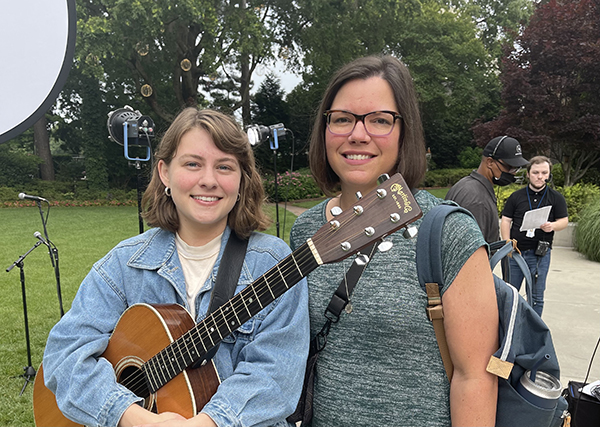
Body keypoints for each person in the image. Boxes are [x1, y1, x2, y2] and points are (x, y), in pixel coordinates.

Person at [42, 108, 309, 427]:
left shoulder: (272, 263)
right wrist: (132, 416)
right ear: (165, 173)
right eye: (192, 164)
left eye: (224, 167)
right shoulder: (125, 263)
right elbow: (65, 354)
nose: (208, 180)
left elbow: (278, 373)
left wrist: (209, 422)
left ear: (242, 179)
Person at [289, 55, 499, 427]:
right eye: (342, 119)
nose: (357, 134)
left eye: (380, 120)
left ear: (405, 133)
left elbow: (475, 377)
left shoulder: (448, 232)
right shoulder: (306, 230)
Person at [500, 156, 568, 317]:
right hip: (516, 253)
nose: (540, 176)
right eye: (536, 172)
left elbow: (564, 221)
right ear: (528, 174)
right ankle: (510, 326)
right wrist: (507, 243)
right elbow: (506, 220)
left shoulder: (556, 197)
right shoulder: (516, 197)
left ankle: (533, 331)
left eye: (544, 172)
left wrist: (552, 226)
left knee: (536, 296)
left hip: (540, 255)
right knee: (511, 293)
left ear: (549, 175)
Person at [445, 136, 529, 243]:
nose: (514, 172)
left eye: (516, 168)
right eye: (509, 167)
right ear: (490, 162)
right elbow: (472, 250)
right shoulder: (477, 200)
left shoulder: (466, 184)